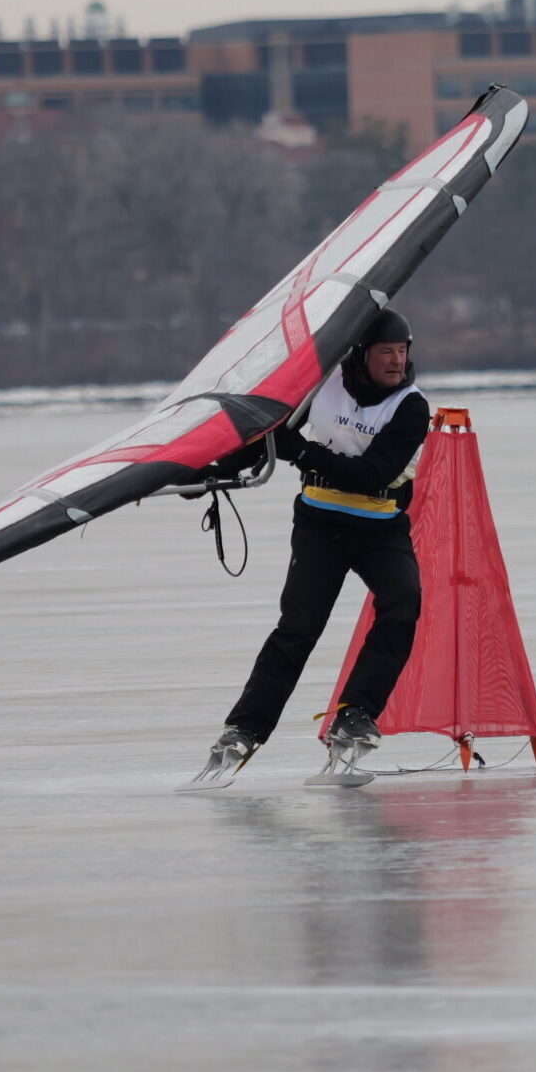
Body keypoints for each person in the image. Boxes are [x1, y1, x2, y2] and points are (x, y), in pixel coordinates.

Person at [205, 307, 431, 774]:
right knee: (298, 629)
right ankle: (245, 729)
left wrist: (303, 451)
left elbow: (373, 475)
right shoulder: (322, 386)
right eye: (386, 351)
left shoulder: (411, 405)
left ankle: (354, 716)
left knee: (404, 602)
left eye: (402, 351)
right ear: (362, 353)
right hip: (319, 527)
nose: (395, 361)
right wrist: (213, 473)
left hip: (379, 528)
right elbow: (268, 436)